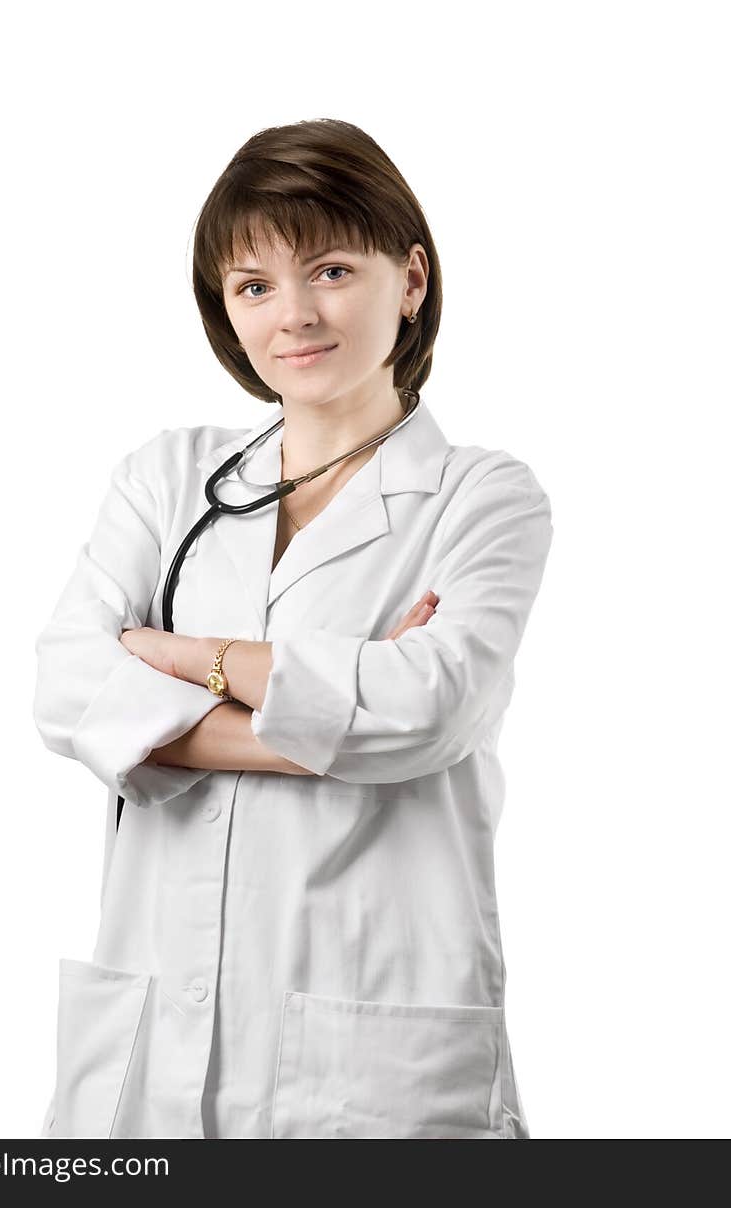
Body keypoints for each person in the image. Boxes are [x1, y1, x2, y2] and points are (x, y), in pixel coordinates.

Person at [32, 118, 553, 1140]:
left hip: (375, 1066)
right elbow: (64, 686)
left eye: (330, 269)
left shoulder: (482, 498)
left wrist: (181, 664)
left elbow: (429, 710)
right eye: (254, 285)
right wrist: (330, 720)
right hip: (148, 1046)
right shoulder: (167, 479)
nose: (295, 316)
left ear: (409, 279)